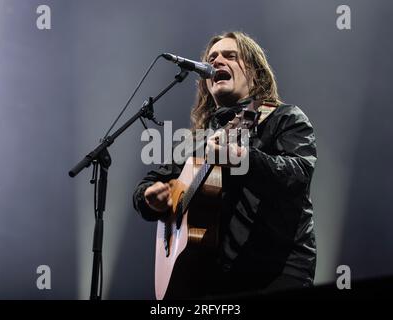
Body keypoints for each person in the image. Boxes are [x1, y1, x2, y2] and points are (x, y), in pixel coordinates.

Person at [133, 31, 317, 299]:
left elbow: (298, 175)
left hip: (278, 272)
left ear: (255, 72)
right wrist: (150, 198)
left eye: (231, 56)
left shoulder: (284, 118)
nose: (217, 61)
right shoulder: (195, 143)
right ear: (206, 83)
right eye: (212, 58)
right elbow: (149, 184)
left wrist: (243, 159)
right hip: (210, 280)